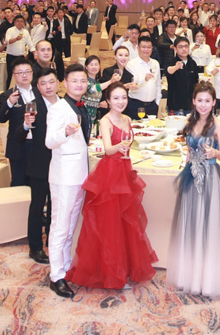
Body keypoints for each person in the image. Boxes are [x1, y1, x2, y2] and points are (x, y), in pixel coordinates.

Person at [66, 82, 158, 289]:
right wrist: (120, 146)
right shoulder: (105, 120)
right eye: (116, 98)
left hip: (125, 169)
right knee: (110, 224)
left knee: (126, 221)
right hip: (110, 173)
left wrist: (125, 150)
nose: (120, 102)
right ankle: (112, 274)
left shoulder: (127, 119)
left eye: (124, 97)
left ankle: (126, 269)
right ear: (107, 101)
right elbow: (107, 149)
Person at [167, 82, 220, 297]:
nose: (203, 105)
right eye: (200, 100)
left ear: (214, 102)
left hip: (210, 178)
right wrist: (185, 169)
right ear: (194, 101)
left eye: (208, 101)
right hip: (191, 177)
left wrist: (215, 153)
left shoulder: (218, 125)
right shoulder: (191, 123)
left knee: (209, 226)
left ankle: (208, 280)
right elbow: (189, 152)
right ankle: (189, 276)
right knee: (191, 224)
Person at [46, 64, 92, 299]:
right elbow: (49, 141)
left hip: (80, 174)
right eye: (74, 81)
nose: (79, 84)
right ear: (65, 83)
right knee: (60, 226)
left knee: (71, 224)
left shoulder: (82, 106)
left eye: (83, 81)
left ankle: (64, 268)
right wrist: (64, 132)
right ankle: (56, 276)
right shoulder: (58, 108)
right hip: (64, 176)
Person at [17, 68, 58, 264]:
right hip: (40, 163)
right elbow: (18, 136)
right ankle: (35, 247)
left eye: (51, 82)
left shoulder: (64, 104)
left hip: (59, 163)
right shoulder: (33, 105)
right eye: (43, 83)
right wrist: (26, 125)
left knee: (55, 205)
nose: (48, 87)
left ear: (58, 83)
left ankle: (52, 240)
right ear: (38, 87)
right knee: (37, 206)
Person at [0, 58, 36, 187]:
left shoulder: (39, 93)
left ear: (32, 73)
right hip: (18, 146)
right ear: (14, 75)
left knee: (37, 182)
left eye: (27, 72)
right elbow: (1, 118)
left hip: (37, 144)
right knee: (19, 182)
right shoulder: (7, 95)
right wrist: (9, 103)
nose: (24, 75)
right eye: (20, 73)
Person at [125, 36, 162, 119]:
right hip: (136, 104)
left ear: (152, 48)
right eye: (143, 47)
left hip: (152, 106)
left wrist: (157, 102)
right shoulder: (131, 64)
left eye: (149, 47)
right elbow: (134, 83)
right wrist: (144, 79)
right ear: (138, 48)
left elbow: (158, 84)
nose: (146, 50)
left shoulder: (155, 63)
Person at [166, 37, 200, 114]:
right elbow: (168, 71)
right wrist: (175, 67)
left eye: (186, 46)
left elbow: (196, 82)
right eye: (180, 47)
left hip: (191, 106)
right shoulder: (171, 61)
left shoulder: (192, 63)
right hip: (175, 106)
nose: (184, 49)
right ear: (175, 49)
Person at [4, 15, 33, 89]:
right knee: (11, 75)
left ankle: (21, 89)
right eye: (18, 21)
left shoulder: (25, 32)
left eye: (21, 21)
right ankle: (9, 90)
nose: (20, 23)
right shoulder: (10, 30)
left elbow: (30, 43)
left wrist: (34, 52)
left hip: (21, 57)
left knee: (21, 74)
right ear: (14, 22)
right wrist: (16, 39)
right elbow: (8, 41)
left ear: (24, 23)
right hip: (11, 56)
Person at [81, 55, 104, 126]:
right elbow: (92, 89)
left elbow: (90, 101)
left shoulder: (97, 82)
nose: (94, 67)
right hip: (82, 117)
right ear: (86, 67)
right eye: (91, 65)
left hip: (92, 118)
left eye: (96, 64)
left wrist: (99, 104)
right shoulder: (84, 80)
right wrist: (111, 81)